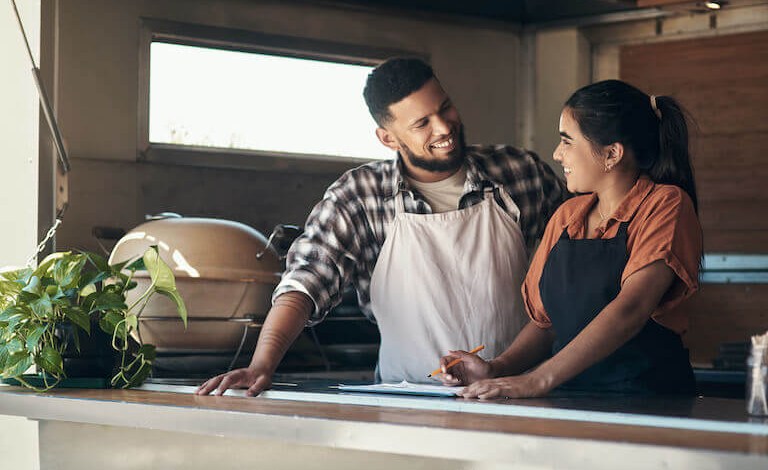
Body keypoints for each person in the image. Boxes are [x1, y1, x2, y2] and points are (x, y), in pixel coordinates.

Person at [196, 57, 568, 396]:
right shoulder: (359, 195)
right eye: (422, 123)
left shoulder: (519, 172)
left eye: (445, 108)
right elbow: (307, 281)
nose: (443, 127)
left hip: (519, 393)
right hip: (408, 400)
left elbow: (578, 259)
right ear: (388, 138)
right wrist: (263, 363)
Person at [438, 80, 703, 397]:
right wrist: (496, 368)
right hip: (573, 399)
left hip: (649, 402)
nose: (557, 154)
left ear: (612, 154)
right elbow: (546, 325)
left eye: (567, 141)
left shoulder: (665, 205)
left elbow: (632, 308)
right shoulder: (567, 216)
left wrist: (539, 379)